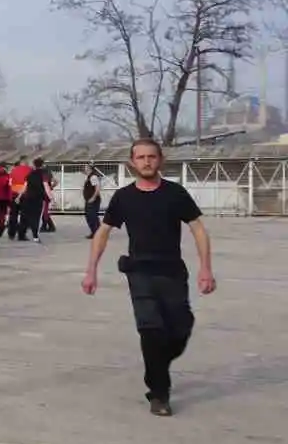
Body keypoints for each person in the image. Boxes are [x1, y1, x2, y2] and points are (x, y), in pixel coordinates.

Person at [83, 140, 215, 416]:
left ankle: (156, 369)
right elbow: (103, 232)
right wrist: (91, 270)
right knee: (151, 330)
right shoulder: (123, 197)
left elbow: (198, 230)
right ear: (132, 162)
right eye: (140, 157)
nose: (146, 162)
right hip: (139, 271)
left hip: (172, 272)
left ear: (160, 160)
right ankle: (159, 393)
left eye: (151, 157)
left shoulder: (175, 193)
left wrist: (206, 268)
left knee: (181, 328)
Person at [18, 157, 50, 242]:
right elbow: (46, 187)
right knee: (36, 217)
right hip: (38, 199)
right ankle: (35, 236)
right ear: (42, 165)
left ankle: (21, 234)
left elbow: (24, 187)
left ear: (34, 165)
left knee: (25, 216)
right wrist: (52, 199)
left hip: (27, 198)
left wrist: (19, 196)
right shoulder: (43, 174)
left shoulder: (29, 174)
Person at [7, 159, 33, 240]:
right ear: (26, 163)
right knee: (24, 216)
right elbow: (30, 183)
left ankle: (11, 233)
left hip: (14, 194)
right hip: (25, 195)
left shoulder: (13, 170)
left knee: (13, 214)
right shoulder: (30, 170)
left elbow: (9, 183)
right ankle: (21, 235)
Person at [83, 165, 105, 237]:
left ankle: (98, 233)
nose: (84, 169)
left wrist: (93, 198)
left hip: (93, 200)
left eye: (86, 168)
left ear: (90, 169)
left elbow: (97, 188)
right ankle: (94, 232)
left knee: (93, 217)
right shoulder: (89, 177)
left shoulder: (93, 177)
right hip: (89, 199)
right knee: (89, 216)